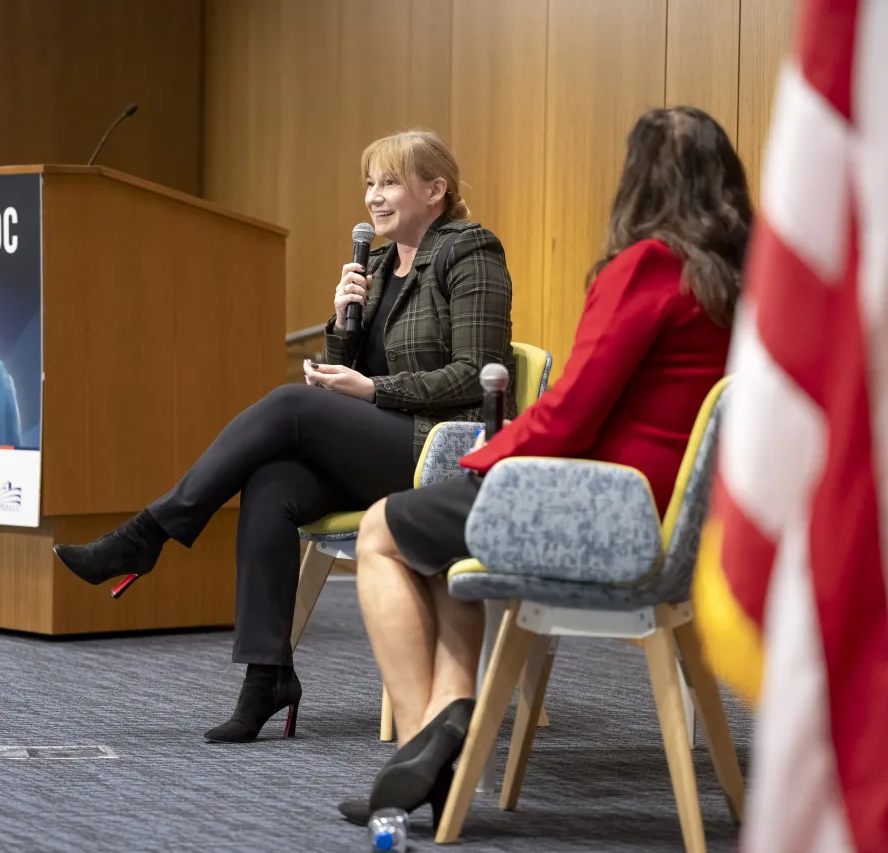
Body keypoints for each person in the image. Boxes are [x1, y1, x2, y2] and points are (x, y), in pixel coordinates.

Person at [339, 106, 753, 823]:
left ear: (639, 183)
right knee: (441, 540)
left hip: (597, 506)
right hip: (674, 517)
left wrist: (483, 460)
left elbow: (571, 412)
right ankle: (450, 725)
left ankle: (415, 752)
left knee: (383, 530)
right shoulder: (740, 282)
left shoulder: (648, 266)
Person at [53, 129, 515, 744]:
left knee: (290, 407)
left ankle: (147, 533)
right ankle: (267, 674)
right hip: (379, 442)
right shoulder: (374, 264)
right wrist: (341, 327)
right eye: (370, 184)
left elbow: (475, 373)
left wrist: (372, 391)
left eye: (391, 182)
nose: (375, 198)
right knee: (272, 484)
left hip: (436, 449)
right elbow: (346, 374)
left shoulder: (469, 250)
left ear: (436, 190)